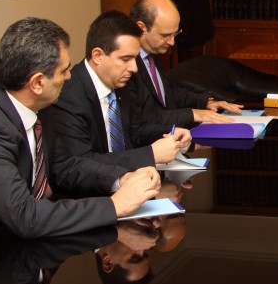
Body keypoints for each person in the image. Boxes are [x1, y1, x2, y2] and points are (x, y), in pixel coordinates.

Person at [0, 18, 160, 272]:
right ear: (37, 82)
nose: (69, 76)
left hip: (22, 239)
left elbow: (64, 165)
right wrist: (115, 205)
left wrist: (121, 179)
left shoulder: (37, 106)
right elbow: (25, 216)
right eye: (64, 70)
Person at [42, 11, 191, 175]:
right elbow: (81, 163)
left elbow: (136, 130)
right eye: (126, 59)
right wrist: (151, 154)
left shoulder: (120, 83)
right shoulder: (68, 96)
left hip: (133, 181)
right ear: (98, 56)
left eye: (135, 59)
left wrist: (170, 134)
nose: (134, 68)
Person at [123, 0, 241, 128]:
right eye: (166, 35)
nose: (172, 42)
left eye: (175, 34)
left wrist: (205, 102)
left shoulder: (153, 50)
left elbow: (166, 92)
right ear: (141, 28)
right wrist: (193, 114)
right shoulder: (126, 65)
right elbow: (143, 118)